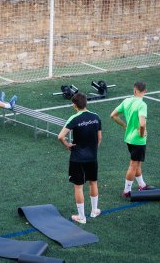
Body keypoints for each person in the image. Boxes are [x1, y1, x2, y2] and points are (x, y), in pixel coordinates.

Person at [58, 93, 102, 224]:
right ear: (86, 103)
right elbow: (99, 138)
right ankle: (94, 211)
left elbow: (60, 136)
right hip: (92, 157)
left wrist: (67, 145)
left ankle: (81, 217)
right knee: (93, 182)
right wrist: (93, 149)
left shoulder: (74, 118)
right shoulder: (96, 117)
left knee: (78, 187)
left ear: (74, 105)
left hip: (77, 158)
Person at [110, 82, 149, 198]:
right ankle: (127, 191)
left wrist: (124, 125)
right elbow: (142, 124)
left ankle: (142, 184)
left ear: (134, 90)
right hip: (138, 140)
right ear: (145, 91)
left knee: (137, 163)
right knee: (133, 165)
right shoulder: (142, 104)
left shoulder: (126, 101)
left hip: (129, 138)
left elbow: (113, 115)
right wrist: (142, 134)